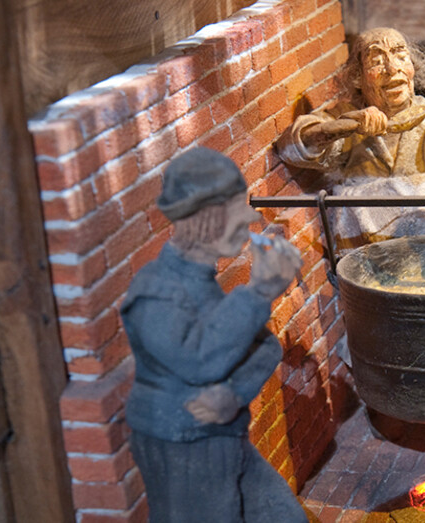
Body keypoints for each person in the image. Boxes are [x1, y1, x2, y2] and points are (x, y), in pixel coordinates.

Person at [120, 147, 307, 522]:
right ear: (201, 219)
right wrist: (258, 292)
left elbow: (264, 345)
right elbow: (200, 362)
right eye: (234, 211)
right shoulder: (156, 291)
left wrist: (234, 393)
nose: (247, 222)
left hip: (222, 435)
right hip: (182, 445)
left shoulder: (201, 283)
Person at [277, 27, 425, 252]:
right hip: (362, 261)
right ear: (358, 77)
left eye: (401, 57)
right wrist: (349, 125)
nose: (393, 69)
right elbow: (293, 146)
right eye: (377, 61)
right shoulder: (345, 117)